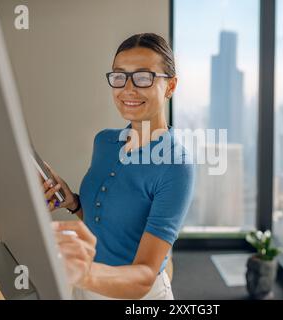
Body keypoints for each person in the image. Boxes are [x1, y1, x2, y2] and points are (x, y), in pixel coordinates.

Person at [42, 33, 195, 300]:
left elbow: (145, 275)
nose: (128, 89)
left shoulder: (175, 165)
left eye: (144, 77)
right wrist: (74, 203)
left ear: (171, 87)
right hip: (86, 288)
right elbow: (111, 227)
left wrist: (84, 273)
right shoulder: (104, 142)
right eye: (119, 76)